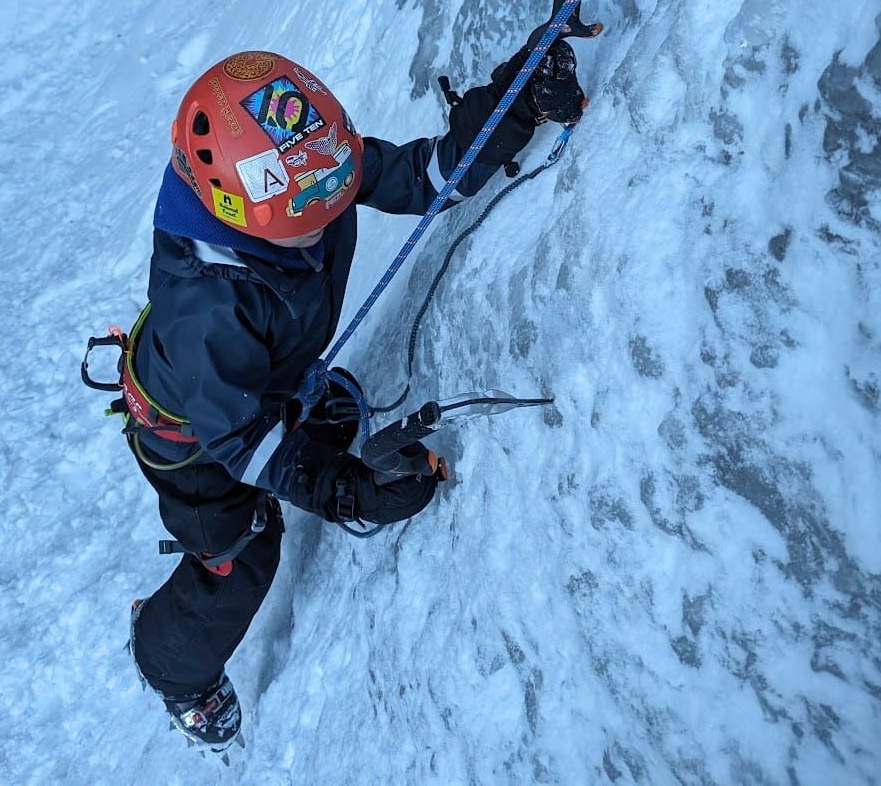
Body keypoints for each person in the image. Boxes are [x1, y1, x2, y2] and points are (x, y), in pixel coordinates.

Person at [124, 40, 586, 748]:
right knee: (243, 555)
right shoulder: (207, 306)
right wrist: (344, 491)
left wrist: (512, 103)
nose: (325, 212)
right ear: (229, 208)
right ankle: (171, 665)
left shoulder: (300, 170)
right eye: (302, 213)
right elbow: (238, 441)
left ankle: (301, 414)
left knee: (321, 419)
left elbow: (419, 174)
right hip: (194, 441)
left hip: (257, 385)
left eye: (333, 189)